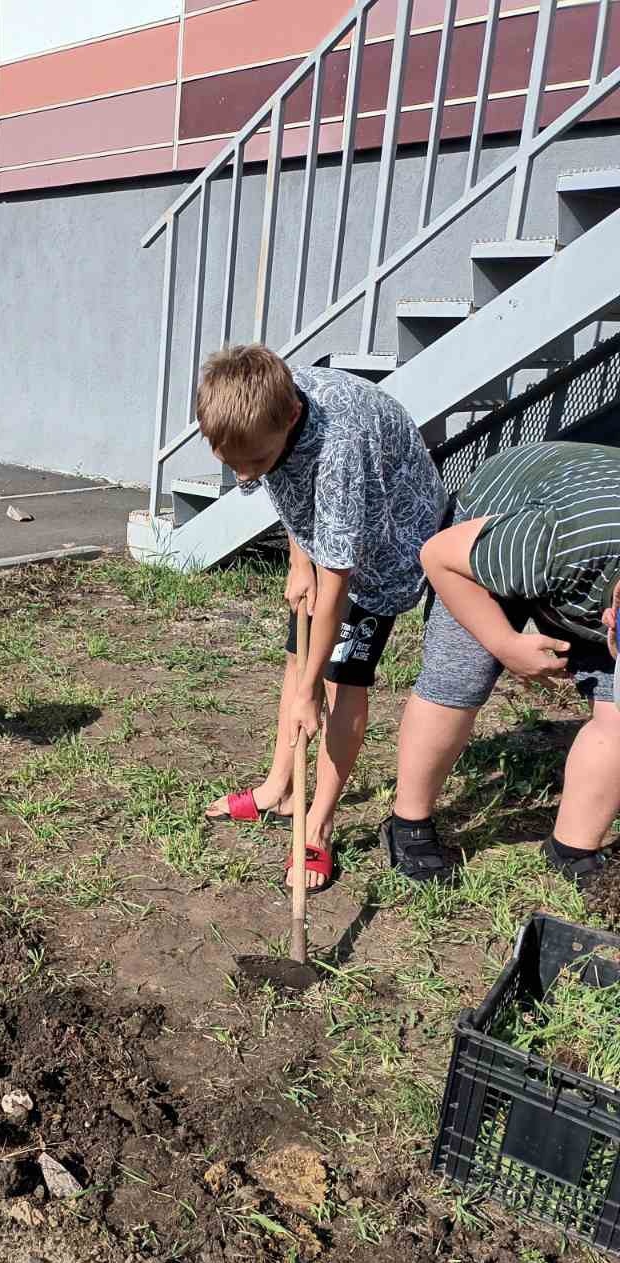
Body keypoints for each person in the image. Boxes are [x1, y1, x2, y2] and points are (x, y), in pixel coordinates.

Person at [197, 345, 446, 889]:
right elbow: (285, 481)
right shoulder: (265, 400)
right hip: (330, 532)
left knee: (337, 681)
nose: (245, 476)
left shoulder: (340, 448)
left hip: (388, 544)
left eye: (254, 463)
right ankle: (278, 789)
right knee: (297, 659)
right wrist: (297, 555)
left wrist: (312, 687)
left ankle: (319, 823)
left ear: (289, 419)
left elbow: (340, 582)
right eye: (233, 464)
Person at [384, 441, 620, 885]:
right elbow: (438, 556)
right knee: (460, 676)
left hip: (589, 552)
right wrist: (507, 644)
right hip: (499, 522)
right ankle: (408, 823)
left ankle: (572, 848)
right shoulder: (558, 542)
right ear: (610, 614)